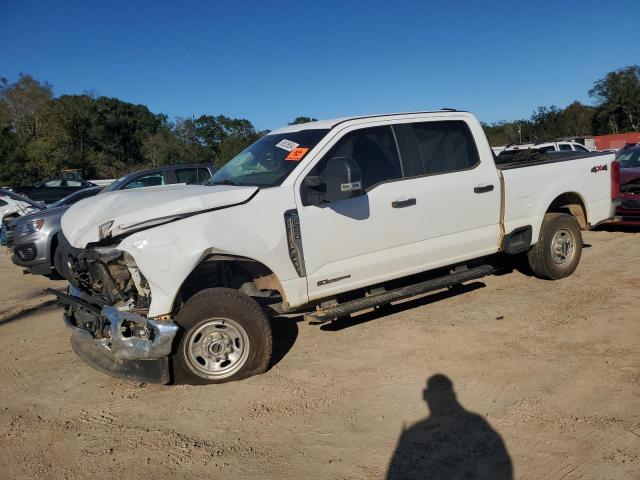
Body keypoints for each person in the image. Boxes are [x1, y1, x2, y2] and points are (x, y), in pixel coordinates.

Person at [386, 374, 513, 480]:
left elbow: (395, 472)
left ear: (425, 395)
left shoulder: (415, 433)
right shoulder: (476, 423)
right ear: (453, 394)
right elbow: (501, 468)